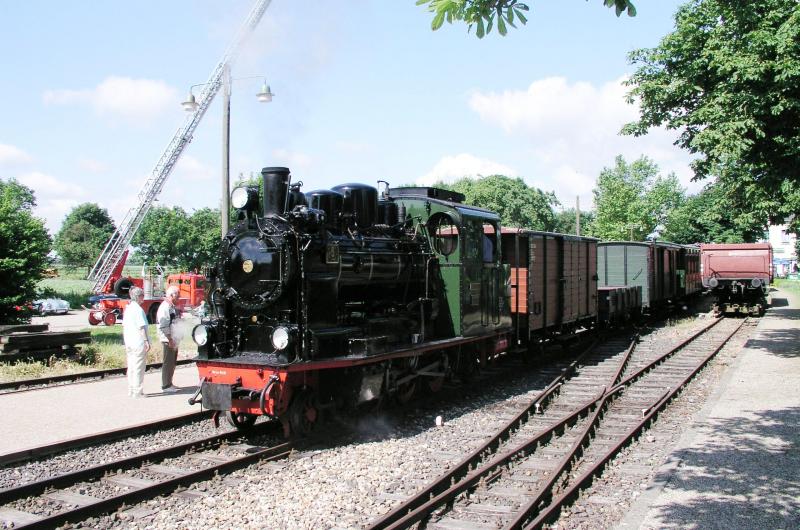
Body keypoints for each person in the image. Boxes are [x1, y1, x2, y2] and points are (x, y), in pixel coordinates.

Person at [123, 286, 150, 398]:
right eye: (142, 295)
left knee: (131, 366)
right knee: (138, 367)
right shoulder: (138, 310)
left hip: (129, 342)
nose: (143, 297)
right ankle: (138, 391)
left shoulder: (128, 309)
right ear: (138, 297)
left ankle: (131, 389)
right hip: (138, 343)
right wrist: (146, 341)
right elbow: (141, 327)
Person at [156, 285, 181, 393]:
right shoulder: (165, 307)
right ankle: (165, 386)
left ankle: (169, 383)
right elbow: (164, 325)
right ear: (171, 295)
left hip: (173, 339)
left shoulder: (170, 306)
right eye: (177, 295)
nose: (179, 297)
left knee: (172, 362)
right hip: (168, 340)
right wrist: (170, 339)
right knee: (168, 362)